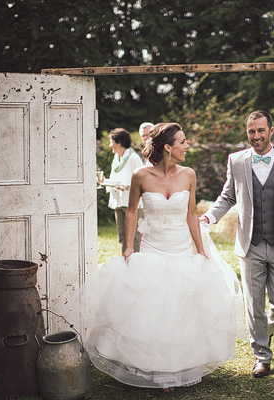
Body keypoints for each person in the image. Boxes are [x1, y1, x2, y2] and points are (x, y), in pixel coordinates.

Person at [84, 122, 244, 391]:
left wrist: (201, 250)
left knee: (182, 309)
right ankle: (156, 368)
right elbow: (132, 211)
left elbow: (191, 214)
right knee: (154, 308)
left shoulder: (189, 175)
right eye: (183, 142)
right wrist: (128, 247)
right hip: (153, 248)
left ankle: (179, 366)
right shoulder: (140, 176)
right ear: (168, 148)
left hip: (182, 248)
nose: (187, 146)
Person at [200, 110, 274, 378]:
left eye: (261, 130)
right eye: (251, 131)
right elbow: (227, 196)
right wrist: (210, 216)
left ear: (271, 131)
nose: (256, 136)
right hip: (250, 245)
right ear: (247, 132)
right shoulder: (236, 161)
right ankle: (262, 355)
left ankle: (265, 330)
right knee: (254, 303)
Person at [104, 128, 145, 253]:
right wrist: (104, 182)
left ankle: (136, 264)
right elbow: (114, 179)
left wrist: (127, 186)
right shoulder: (116, 158)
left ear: (119, 142)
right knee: (122, 236)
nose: (110, 145)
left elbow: (142, 179)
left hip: (132, 203)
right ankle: (125, 263)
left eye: (112, 142)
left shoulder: (133, 157)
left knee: (134, 237)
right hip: (118, 202)